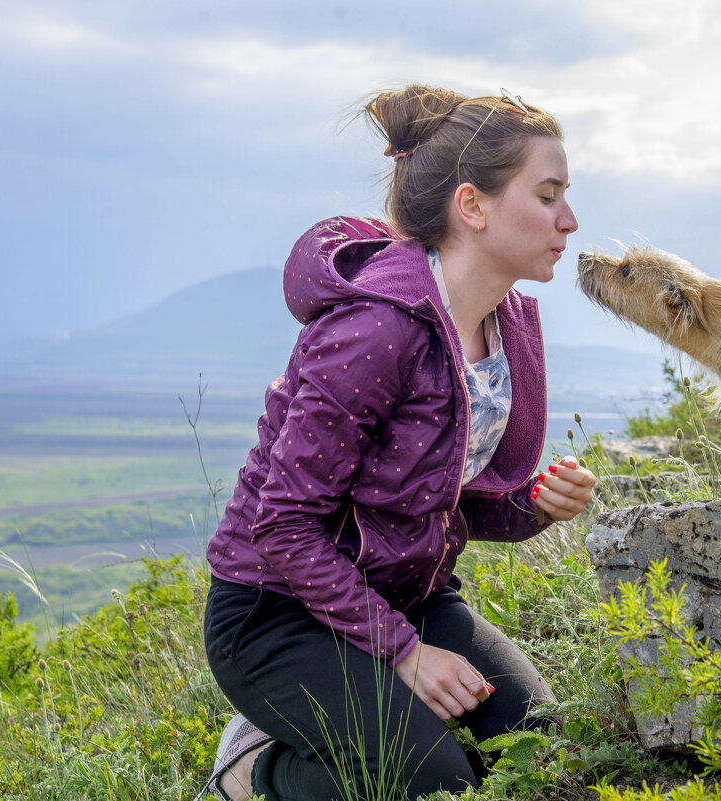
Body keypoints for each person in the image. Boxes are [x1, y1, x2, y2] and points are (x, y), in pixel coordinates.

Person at [196, 84, 596, 801]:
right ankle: (253, 771)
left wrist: (539, 503)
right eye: (547, 195)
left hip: (407, 592)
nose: (568, 219)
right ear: (471, 206)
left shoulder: (503, 327)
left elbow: (460, 501)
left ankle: (350, 712)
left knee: (546, 748)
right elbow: (282, 525)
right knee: (432, 782)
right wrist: (406, 656)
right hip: (275, 612)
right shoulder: (375, 330)